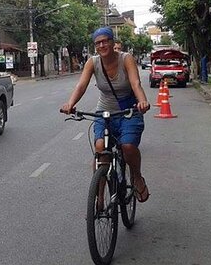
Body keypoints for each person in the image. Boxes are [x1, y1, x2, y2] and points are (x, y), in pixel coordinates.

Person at [61, 27, 151, 202]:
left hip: (128, 111)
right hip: (104, 112)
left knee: (127, 147)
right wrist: (71, 104)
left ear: (112, 42)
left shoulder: (126, 59)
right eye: (98, 43)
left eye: (105, 41)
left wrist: (142, 101)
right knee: (100, 149)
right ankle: (100, 198)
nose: (102, 45)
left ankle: (137, 177)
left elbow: (136, 83)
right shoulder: (92, 63)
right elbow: (81, 85)